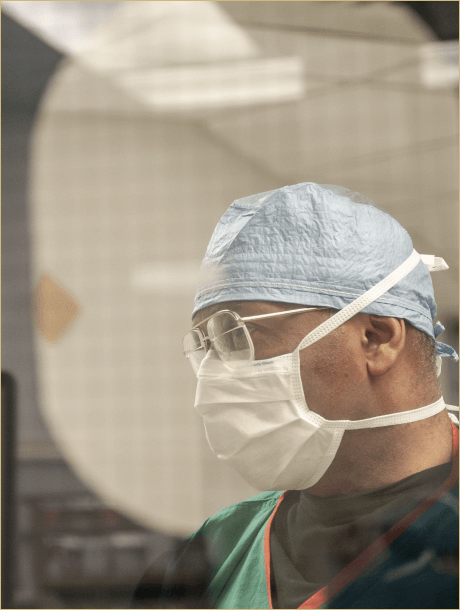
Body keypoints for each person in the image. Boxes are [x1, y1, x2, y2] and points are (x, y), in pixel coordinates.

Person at [132, 183, 459, 609]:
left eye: (241, 335)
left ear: (376, 339)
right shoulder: (212, 555)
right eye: (207, 345)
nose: (212, 378)